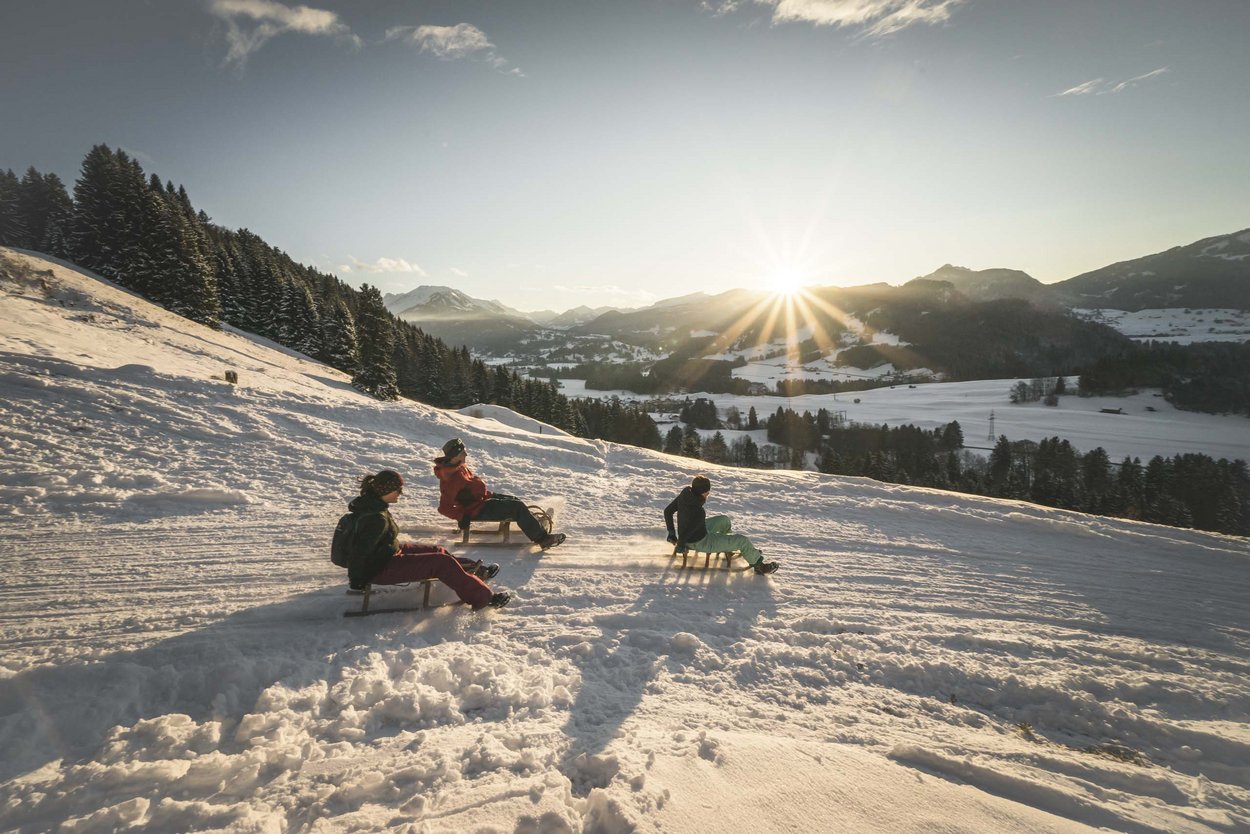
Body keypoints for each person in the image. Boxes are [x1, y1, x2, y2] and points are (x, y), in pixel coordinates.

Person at [346, 469, 511, 609]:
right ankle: (484, 598)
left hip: (386, 555)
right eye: (398, 490)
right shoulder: (375, 518)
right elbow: (360, 551)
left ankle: (475, 571)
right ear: (386, 491)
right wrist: (357, 581)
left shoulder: (374, 506)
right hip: (380, 569)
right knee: (441, 563)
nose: (400, 494)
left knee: (438, 551)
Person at [433, 438, 566, 550]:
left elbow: (470, 487)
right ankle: (543, 539)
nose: (466, 454)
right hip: (477, 509)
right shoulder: (451, 478)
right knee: (516, 507)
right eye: (463, 452)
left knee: (515, 500)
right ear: (455, 455)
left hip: (482, 499)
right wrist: (462, 517)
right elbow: (444, 508)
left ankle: (534, 523)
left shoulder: (457, 466)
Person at [664, 474, 778, 575]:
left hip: (694, 532)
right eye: (707, 491)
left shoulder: (685, 495)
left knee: (724, 520)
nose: (708, 493)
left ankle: (729, 549)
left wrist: (671, 533)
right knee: (742, 541)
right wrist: (681, 544)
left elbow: (668, 511)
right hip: (700, 541)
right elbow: (690, 529)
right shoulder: (698, 511)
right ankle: (760, 567)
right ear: (702, 492)